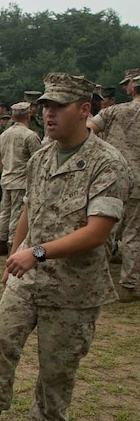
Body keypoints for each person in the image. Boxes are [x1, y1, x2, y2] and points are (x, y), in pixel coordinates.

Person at [0, 73, 128, 421]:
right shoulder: (43, 155)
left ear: (85, 110)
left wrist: (37, 252)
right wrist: (15, 255)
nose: (47, 113)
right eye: (44, 106)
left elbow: (98, 232)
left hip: (75, 286)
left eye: (58, 106)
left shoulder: (107, 162)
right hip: (28, 276)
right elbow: (30, 209)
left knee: (58, 364)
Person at [89, 71, 140, 302]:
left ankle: (94, 280)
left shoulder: (112, 112)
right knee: (133, 234)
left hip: (113, 178)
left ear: (132, 89)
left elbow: (87, 132)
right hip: (138, 184)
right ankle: (129, 285)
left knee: (104, 231)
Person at [0, 102, 42, 256]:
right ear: (28, 115)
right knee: (18, 213)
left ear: (13, 117)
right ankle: (13, 244)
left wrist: (5, 171)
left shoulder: (4, 134)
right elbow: (38, 159)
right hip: (22, 180)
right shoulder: (30, 135)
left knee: (4, 212)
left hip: (7, 178)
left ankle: (1, 241)